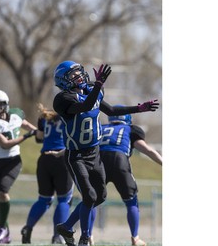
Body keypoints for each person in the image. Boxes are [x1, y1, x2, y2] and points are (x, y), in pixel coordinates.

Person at [52, 60, 159, 246]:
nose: (79, 76)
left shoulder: (90, 90)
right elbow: (84, 107)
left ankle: (67, 227)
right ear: (63, 81)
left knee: (100, 197)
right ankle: (85, 238)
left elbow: (110, 110)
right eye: (73, 75)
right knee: (89, 196)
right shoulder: (63, 99)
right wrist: (99, 85)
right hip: (77, 156)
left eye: (79, 72)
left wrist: (138, 108)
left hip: (95, 153)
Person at [0, 89, 37, 244]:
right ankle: (4, 230)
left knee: (2, 192)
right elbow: (5, 144)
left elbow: (30, 128)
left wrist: (43, 133)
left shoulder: (16, 114)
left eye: (0, 104)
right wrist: (27, 136)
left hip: (13, 161)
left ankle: (2, 230)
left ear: (6, 104)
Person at [98, 112, 162, 246]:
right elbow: (148, 151)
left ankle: (88, 236)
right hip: (119, 161)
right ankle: (135, 238)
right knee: (131, 202)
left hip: (98, 162)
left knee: (91, 200)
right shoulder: (130, 129)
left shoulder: (100, 127)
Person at [21, 103, 74, 244]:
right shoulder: (71, 117)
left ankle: (28, 228)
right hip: (61, 158)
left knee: (44, 199)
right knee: (64, 200)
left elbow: (39, 137)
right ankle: (58, 236)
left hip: (44, 159)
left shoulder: (45, 117)